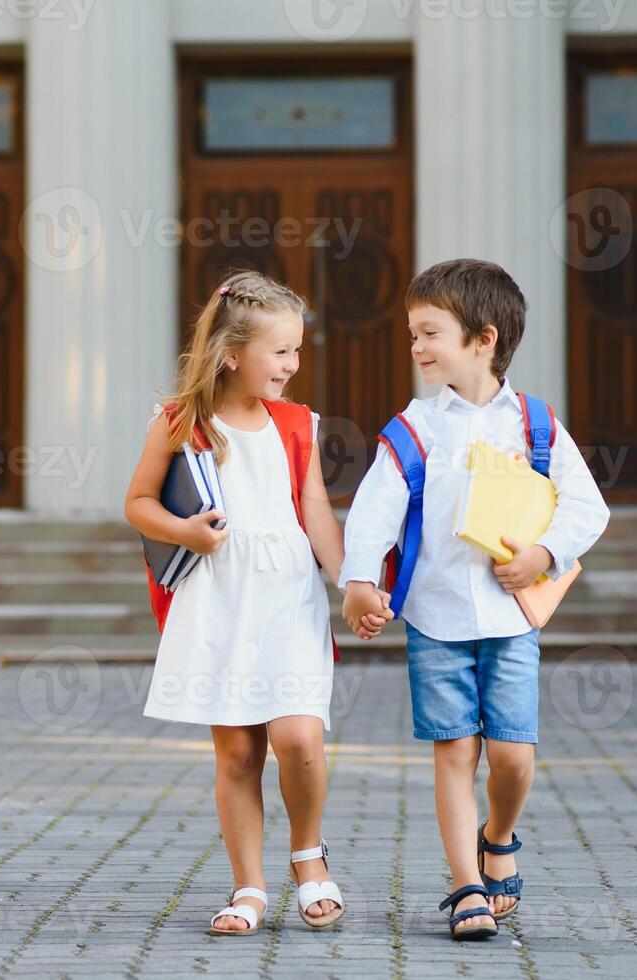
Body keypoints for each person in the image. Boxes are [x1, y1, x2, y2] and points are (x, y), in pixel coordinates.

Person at [340, 258, 611, 941]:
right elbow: (375, 508)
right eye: (413, 334)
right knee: (454, 751)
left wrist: (543, 554)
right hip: (435, 619)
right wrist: (358, 580)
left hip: (512, 620)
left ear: (483, 340)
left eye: (430, 332)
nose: (417, 347)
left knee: (513, 756)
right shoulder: (416, 427)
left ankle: (499, 836)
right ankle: (466, 887)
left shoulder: (537, 426)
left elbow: (587, 507)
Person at [124, 269, 386, 935]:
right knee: (237, 753)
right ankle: (248, 887)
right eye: (281, 351)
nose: (293, 365)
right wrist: (182, 531)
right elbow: (138, 503)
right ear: (232, 353)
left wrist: (350, 581)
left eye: (298, 350)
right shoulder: (181, 421)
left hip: (285, 595)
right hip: (218, 600)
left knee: (298, 737)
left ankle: (309, 856)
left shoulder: (297, 424)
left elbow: (316, 514)